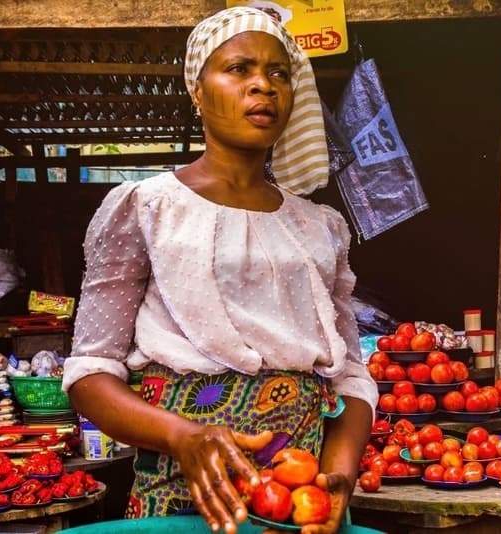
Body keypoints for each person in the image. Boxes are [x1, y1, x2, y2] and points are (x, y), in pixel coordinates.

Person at [63, 7, 377, 534]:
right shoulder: (145, 207)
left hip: (298, 500)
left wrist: (338, 476)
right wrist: (183, 437)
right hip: (182, 493)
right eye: (239, 69)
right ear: (198, 90)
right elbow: (91, 372)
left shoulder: (319, 226)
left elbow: (349, 375)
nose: (264, 86)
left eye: (279, 73)